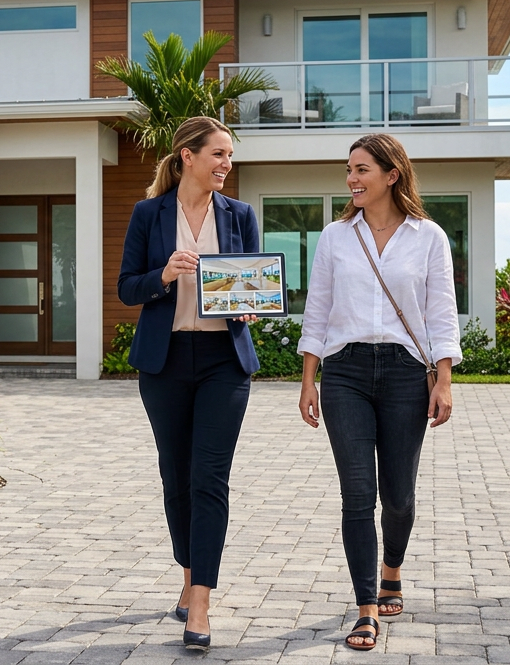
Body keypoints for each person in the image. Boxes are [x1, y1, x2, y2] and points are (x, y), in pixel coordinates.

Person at [295, 133, 460, 651]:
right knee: (357, 494)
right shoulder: (335, 236)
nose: (352, 179)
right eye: (349, 170)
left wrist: (445, 379)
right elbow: (317, 309)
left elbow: (441, 314)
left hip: (406, 374)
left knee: (400, 498)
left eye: (362, 169)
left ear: (392, 174)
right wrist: (308, 377)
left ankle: (392, 569)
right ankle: (367, 607)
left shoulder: (428, 237)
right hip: (344, 372)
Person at [117, 116, 260, 652]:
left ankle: (199, 600)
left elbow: (251, 283)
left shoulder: (239, 215)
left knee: (208, 477)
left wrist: (248, 307)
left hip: (224, 361)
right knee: (176, 480)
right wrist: (163, 276)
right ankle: (187, 572)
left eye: (229, 155)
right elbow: (127, 288)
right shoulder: (148, 214)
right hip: (165, 361)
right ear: (188, 157)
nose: (227, 164)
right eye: (219, 154)